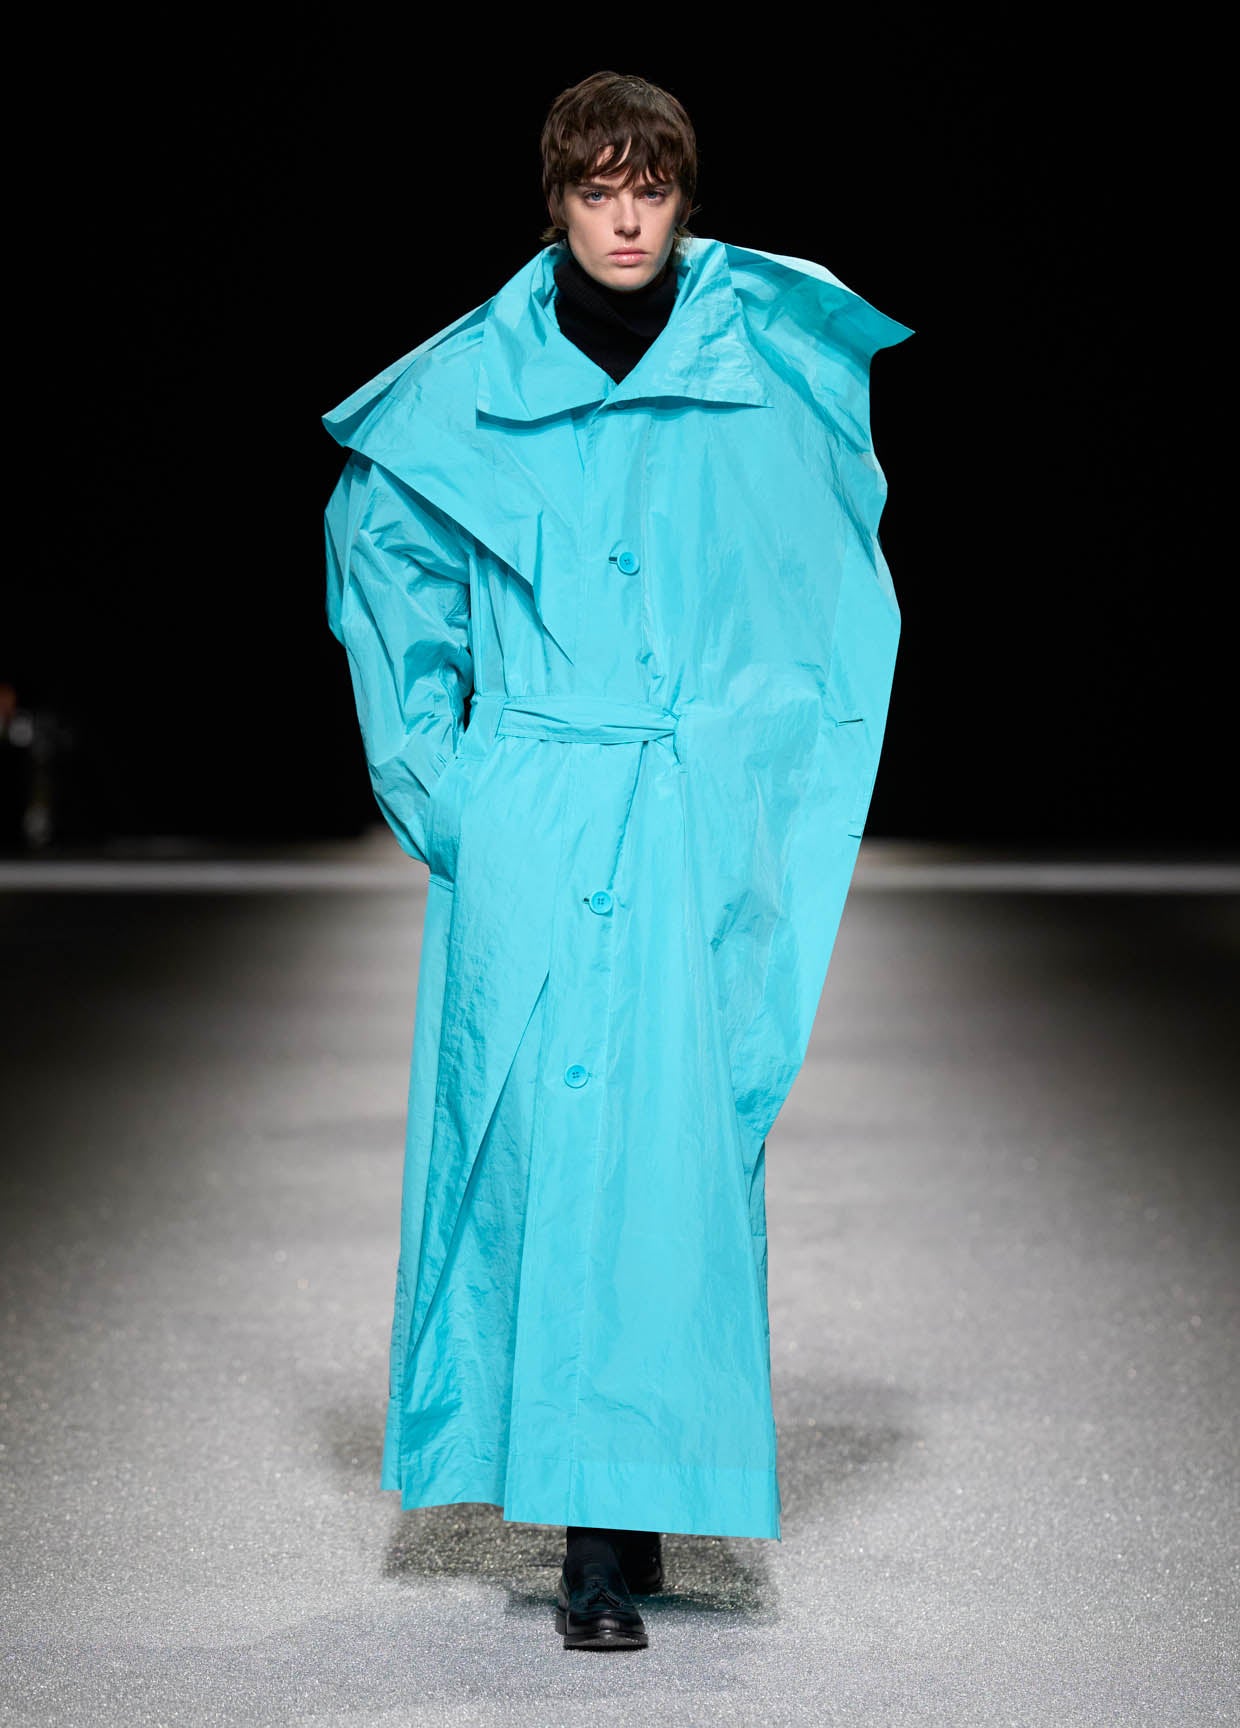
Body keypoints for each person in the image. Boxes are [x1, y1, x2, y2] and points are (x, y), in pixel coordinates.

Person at [322, 70, 910, 1653]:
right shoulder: (467, 380)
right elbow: (385, 572)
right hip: (538, 806)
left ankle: (626, 1502)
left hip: (684, 813)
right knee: (549, 1155)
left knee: (674, 1158)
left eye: (651, 187)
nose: (627, 218)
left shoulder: (764, 362)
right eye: (598, 189)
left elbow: (823, 578)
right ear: (558, 202)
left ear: (685, 198)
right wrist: (451, 790)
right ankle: (594, 1541)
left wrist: (758, 768)